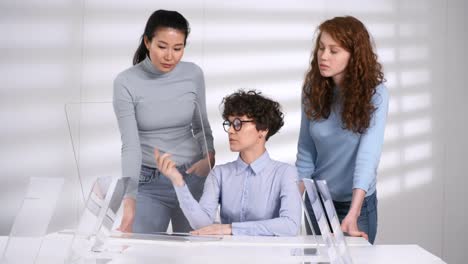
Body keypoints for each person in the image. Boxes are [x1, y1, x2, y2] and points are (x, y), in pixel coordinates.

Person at [113, 9, 215, 234]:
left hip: (192, 178)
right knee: (142, 253)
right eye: (162, 46)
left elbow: (201, 126)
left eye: (178, 48)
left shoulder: (193, 74)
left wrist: (209, 157)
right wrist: (129, 200)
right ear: (147, 42)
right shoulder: (125, 82)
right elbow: (130, 146)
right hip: (149, 183)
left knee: (194, 254)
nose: (170, 56)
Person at [155, 90, 302, 236]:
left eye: (238, 123)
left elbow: (290, 225)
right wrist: (178, 182)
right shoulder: (219, 174)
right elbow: (202, 225)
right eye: (229, 123)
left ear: (262, 129)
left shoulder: (285, 173)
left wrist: (230, 229)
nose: (230, 130)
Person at [296, 16, 389, 244]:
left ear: (354, 55)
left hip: (355, 202)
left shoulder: (376, 94)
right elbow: (306, 152)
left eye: (333, 50)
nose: (323, 56)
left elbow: (368, 156)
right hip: (319, 202)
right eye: (321, 48)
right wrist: (290, 205)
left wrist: (354, 212)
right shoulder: (312, 89)